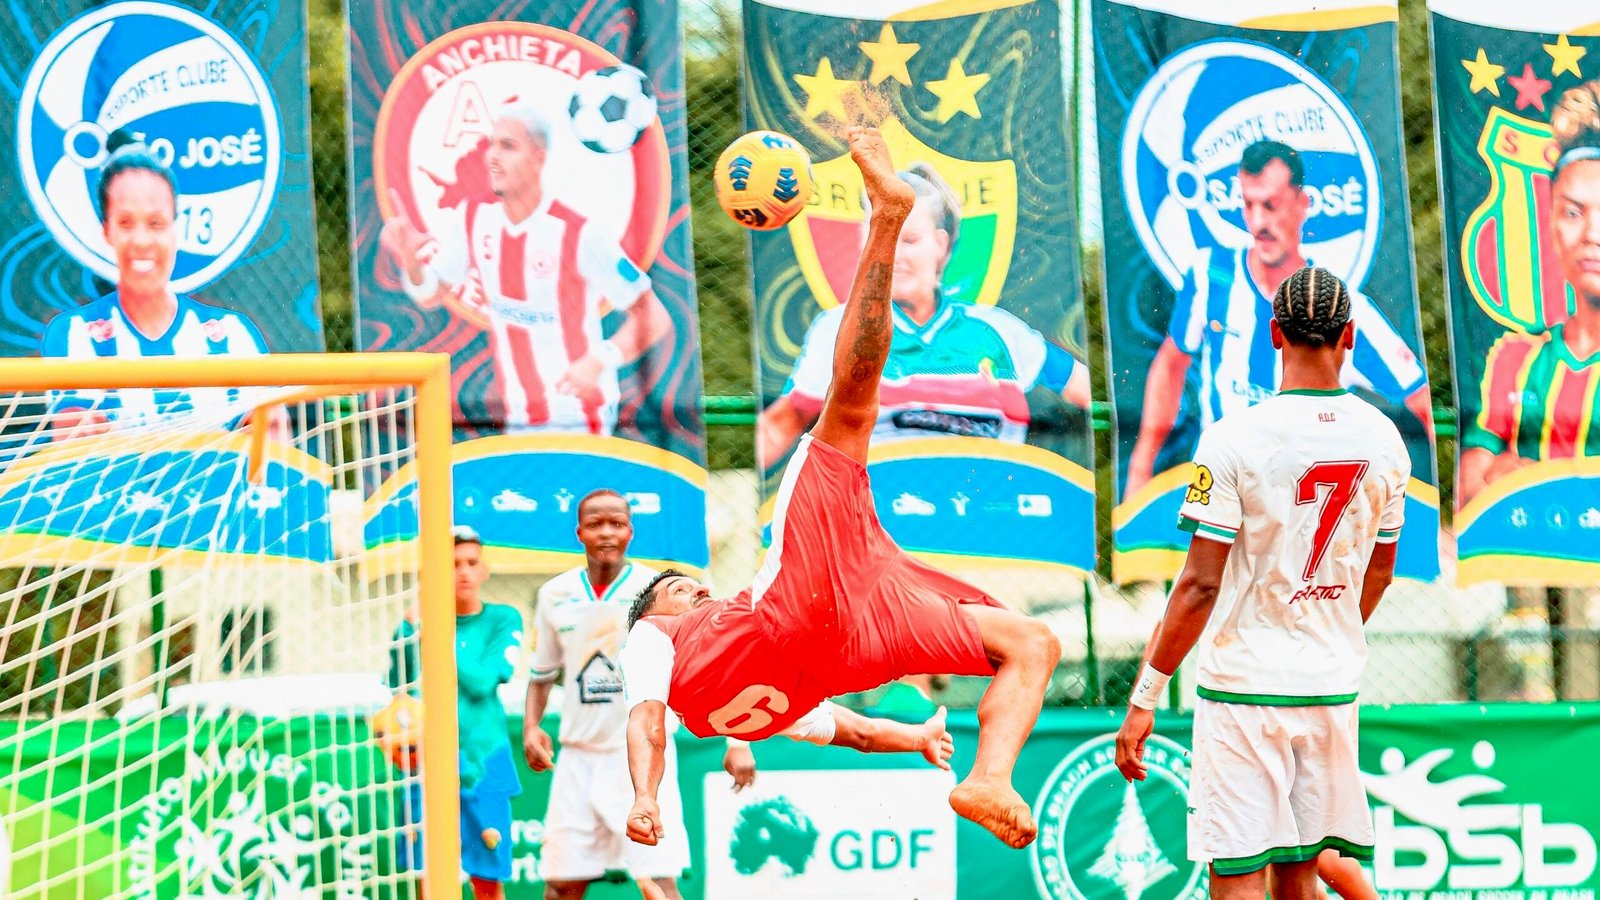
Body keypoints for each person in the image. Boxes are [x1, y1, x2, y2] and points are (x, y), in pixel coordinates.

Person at [620, 126, 1062, 850]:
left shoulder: (730, 706)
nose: (694, 589)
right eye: (675, 589)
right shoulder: (650, 638)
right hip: (797, 602)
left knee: (1032, 643)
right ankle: (886, 219)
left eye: (690, 585)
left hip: (841, 643)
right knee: (852, 404)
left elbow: (852, 731)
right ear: (649, 614)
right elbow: (643, 720)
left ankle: (990, 777)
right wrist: (643, 794)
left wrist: (918, 738)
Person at [1114, 266, 1408, 898]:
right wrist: (1326, 631)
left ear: (1274, 333)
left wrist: (1146, 694)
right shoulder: (1385, 440)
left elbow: (1198, 585)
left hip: (1243, 691)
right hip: (1329, 688)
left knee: (1238, 875)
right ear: (1349, 336)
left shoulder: (1233, 439)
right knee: (1300, 875)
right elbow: (1379, 571)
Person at [1124, 140, 1430, 497]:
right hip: (1217, 489)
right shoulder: (1211, 276)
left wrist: (1424, 507)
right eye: (1248, 204)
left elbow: (1420, 399)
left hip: (1301, 507)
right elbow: (1171, 363)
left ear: (1303, 204)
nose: (1257, 222)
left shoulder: (1341, 305)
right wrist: (1139, 468)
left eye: (1270, 206)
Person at [757, 161, 1090, 469]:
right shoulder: (841, 329)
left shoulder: (999, 330)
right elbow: (782, 423)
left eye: (910, 240)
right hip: (877, 518)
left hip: (992, 519)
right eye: (880, 241)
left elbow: (1087, 388)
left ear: (941, 246)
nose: (892, 256)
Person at [379, 103, 674, 436]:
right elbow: (432, 294)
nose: (492, 156)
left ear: (539, 157)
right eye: (492, 144)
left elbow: (654, 317)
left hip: (579, 413)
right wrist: (410, 259)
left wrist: (600, 360)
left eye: (508, 146)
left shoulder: (579, 232)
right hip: (517, 414)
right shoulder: (473, 218)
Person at [524, 489, 757, 899]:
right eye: (596, 523)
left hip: (642, 756)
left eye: (617, 523)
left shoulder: (662, 593)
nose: (607, 532)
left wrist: (737, 740)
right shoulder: (554, 594)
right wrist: (531, 727)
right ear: (579, 532)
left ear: (631, 532)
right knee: (561, 885)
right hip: (578, 754)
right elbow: (542, 674)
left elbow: (718, 664)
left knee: (658, 883)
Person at [40, 132, 278, 436]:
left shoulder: (233, 334)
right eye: (126, 222)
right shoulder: (72, 335)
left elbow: (272, 453)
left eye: (155, 223)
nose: (141, 241)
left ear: (175, 230)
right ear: (107, 231)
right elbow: (82, 460)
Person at [1459, 80, 1600, 507]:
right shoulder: (1516, 357)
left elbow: (1491, 480)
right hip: (1526, 570)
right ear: (1551, 223)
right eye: (1573, 212)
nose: (1591, 235)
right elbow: (1469, 490)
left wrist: (1515, 472)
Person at [388, 525, 524, 900]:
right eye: (451, 564)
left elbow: (482, 683)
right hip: (426, 766)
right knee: (428, 876)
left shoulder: (503, 619)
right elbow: (397, 692)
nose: (463, 571)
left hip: (484, 763)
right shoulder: (410, 626)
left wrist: (435, 630)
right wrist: (408, 630)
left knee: (487, 879)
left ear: (484, 569)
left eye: (471, 563)